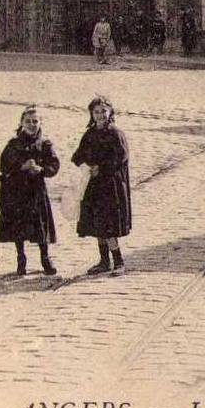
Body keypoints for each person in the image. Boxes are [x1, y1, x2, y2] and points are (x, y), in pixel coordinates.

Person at [0, 105, 59, 276]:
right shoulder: (14, 145)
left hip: (37, 191)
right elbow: (4, 165)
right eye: (28, 121)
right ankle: (21, 258)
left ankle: (45, 258)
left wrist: (41, 169)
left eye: (35, 121)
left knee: (40, 225)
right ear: (21, 123)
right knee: (19, 226)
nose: (31, 125)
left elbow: (54, 164)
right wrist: (21, 167)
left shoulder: (45, 144)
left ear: (41, 123)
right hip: (17, 191)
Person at [71, 96, 132, 275]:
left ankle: (119, 261)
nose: (100, 115)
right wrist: (86, 166)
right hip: (94, 185)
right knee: (97, 223)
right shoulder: (89, 134)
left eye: (103, 111)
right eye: (96, 112)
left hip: (111, 186)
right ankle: (104, 261)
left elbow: (121, 158)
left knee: (109, 224)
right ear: (91, 114)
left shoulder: (115, 134)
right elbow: (77, 156)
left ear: (110, 112)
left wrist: (102, 168)